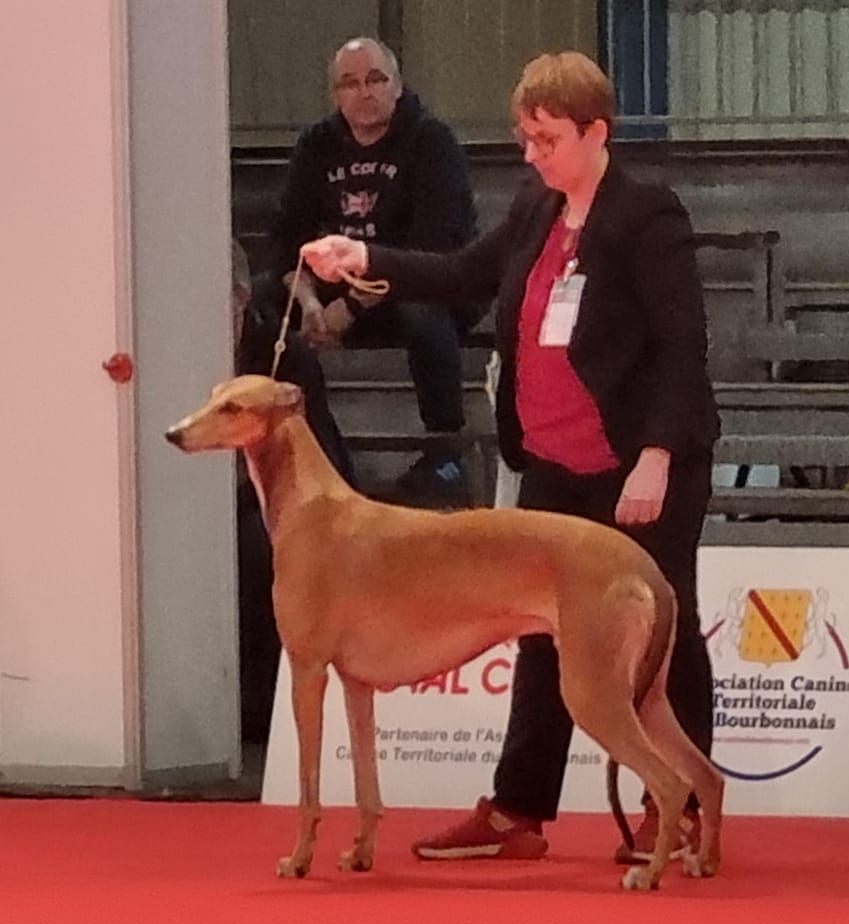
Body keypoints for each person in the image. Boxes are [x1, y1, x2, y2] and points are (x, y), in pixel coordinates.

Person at [300, 51, 719, 865]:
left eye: (546, 139)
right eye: (524, 138)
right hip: (554, 460)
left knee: (668, 636)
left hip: (639, 466)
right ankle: (518, 808)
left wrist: (657, 455)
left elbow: (681, 345)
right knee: (539, 632)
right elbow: (462, 272)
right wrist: (365, 259)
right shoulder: (537, 206)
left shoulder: (646, 214)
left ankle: (686, 806)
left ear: (595, 131)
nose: (531, 155)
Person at [266, 36, 480, 503]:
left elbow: (432, 249)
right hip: (336, 291)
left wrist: (350, 308)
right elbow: (288, 239)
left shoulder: (431, 141)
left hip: (421, 287)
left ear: (398, 86)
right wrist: (308, 304)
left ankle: (446, 452)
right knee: (261, 305)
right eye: (350, 83)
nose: (364, 92)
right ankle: (303, 446)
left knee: (424, 309)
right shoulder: (317, 145)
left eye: (375, 79)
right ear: (335, 95)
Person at [232, 239, 353, 742]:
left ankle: (261, 714)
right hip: (194, 501)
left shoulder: (285, 358)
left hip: (271, 501)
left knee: (261, 549)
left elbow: (311, 459)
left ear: (239, 297)